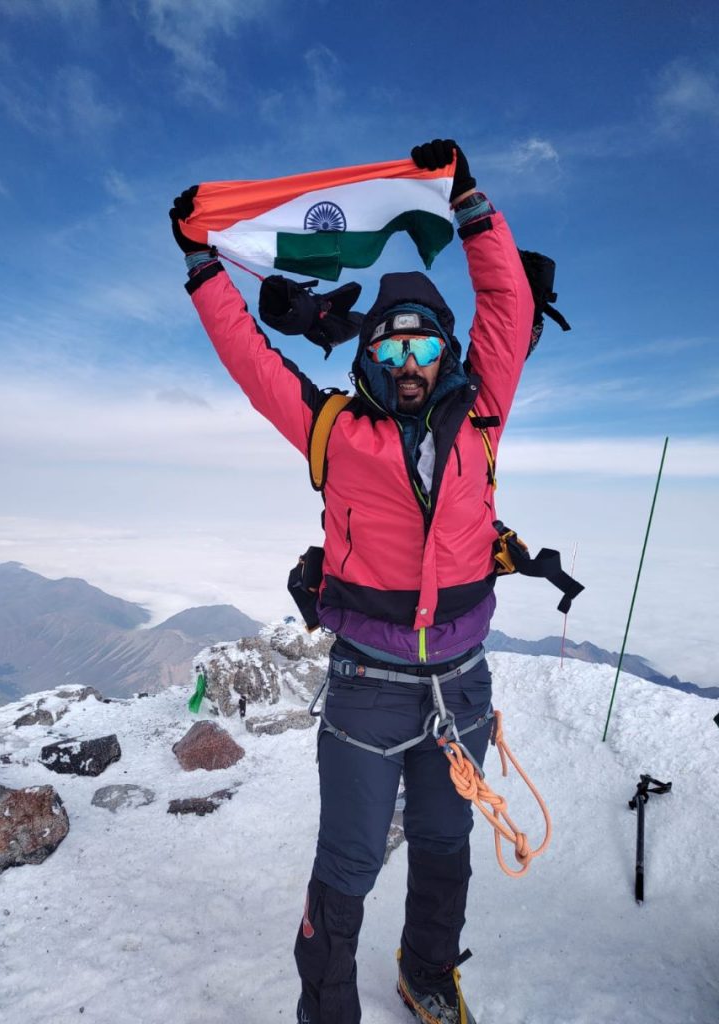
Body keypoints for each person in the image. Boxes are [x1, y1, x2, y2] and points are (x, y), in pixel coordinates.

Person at [170, 139, 534, 1024]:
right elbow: (254, 362)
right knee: (349, 862)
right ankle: (327, 1009)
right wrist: (200, 269)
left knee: (447, 844)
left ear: (445, 353)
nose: (409, 362)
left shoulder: (482, 412)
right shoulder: (333, 430)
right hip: (368, 685)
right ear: (369, 352)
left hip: (463, 684)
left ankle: (428, 974)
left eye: (424, 344)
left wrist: (472, 204)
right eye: (393, 343)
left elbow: (509, 302)